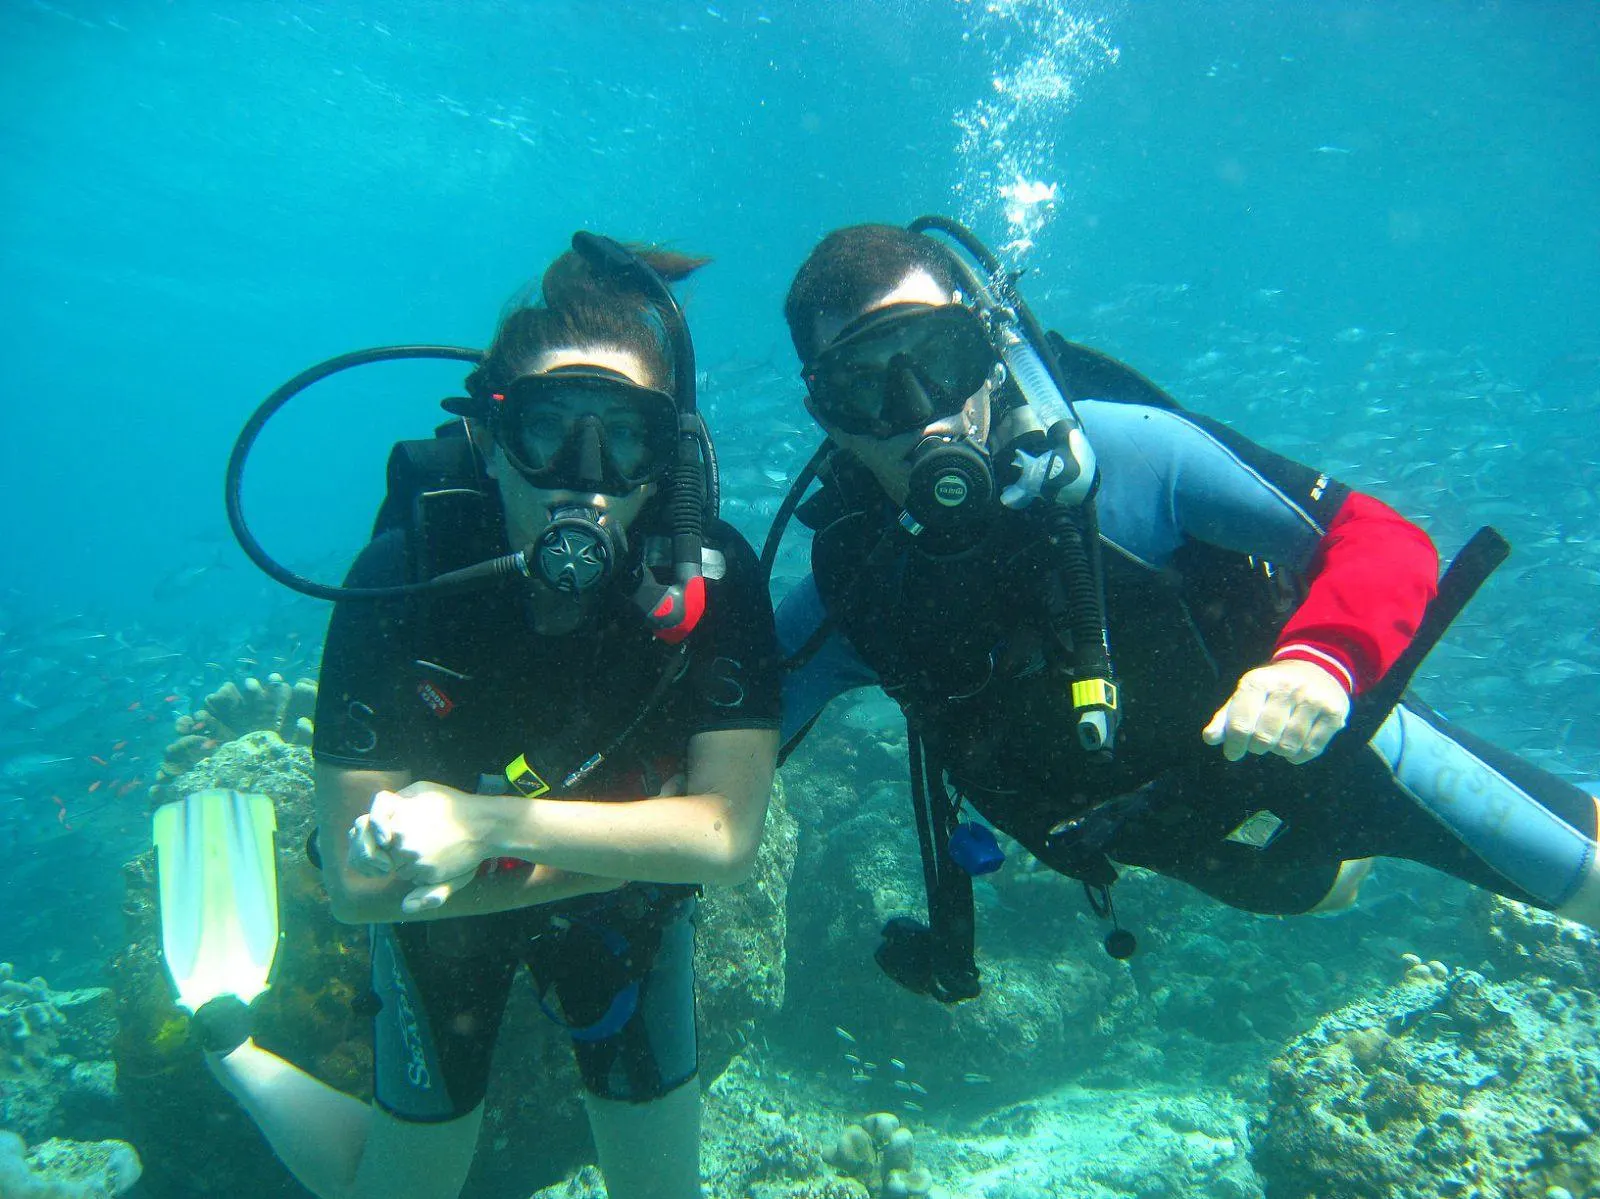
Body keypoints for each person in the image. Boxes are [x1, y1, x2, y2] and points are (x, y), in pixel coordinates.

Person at [770, 217, 1600, 1001]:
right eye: (863, 387)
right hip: (1217, 857)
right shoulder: (857, 585)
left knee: (1584, 872)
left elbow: (1381, 538)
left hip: (1350, 753)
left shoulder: (1129, 455)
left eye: (940, 356)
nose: (923, 408)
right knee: (1328, 890)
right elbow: (720, 732)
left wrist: (1322, 660)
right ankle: (1337, 871)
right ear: (826, 418)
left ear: (990, 348)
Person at [163, 234, 780, 1199]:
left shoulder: (716, 577)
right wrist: (644, 844)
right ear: (491, 440)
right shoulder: (404, 573)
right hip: (492, 902)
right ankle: (228, 1044)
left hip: (557, 898)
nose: (586, 475)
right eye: (548, 430)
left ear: (670, 464)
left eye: (624, 437)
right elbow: (357, 888)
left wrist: (481, 829)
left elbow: (730, 836)